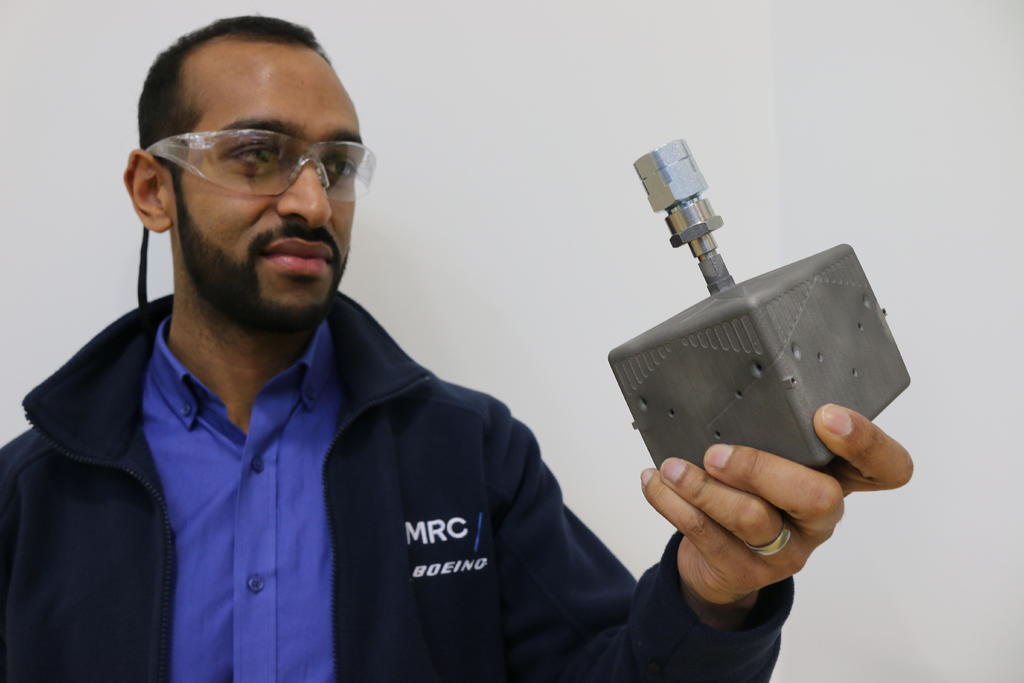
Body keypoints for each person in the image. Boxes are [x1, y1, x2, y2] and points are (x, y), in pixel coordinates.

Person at [0, 15, 913, 683]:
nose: (314, 203)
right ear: (152, 189)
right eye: (257, 155)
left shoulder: (469, 454)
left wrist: (716, 592)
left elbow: (611, 671)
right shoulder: (29, 498)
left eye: (338, 165)